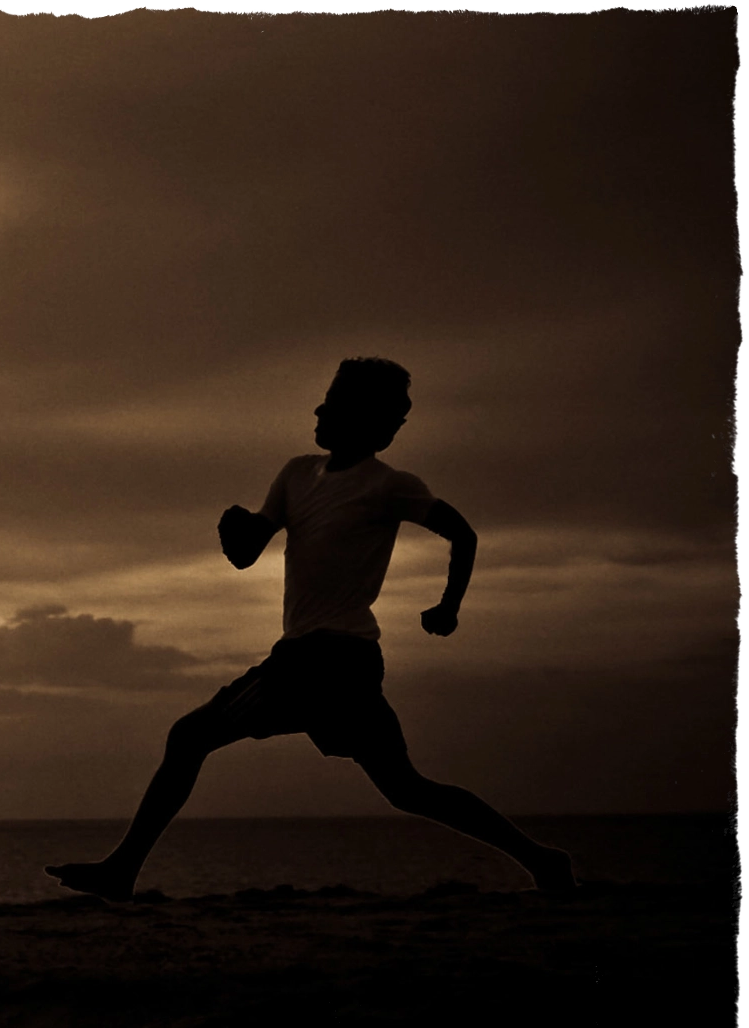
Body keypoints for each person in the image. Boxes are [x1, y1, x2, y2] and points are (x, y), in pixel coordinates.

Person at [47, 358, 575, 899]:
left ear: (368, 420)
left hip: (322, 660)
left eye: (333, 403)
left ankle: (122, 871)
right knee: (406, 789)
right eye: (322, 400)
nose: (319, 410)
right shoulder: (297, 473)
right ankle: (542, 859)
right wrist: (236, 530)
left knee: (190, 736)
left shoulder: (388, 486)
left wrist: (448, 606)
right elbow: (248, 553)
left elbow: (463, 534)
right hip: (332, 662)